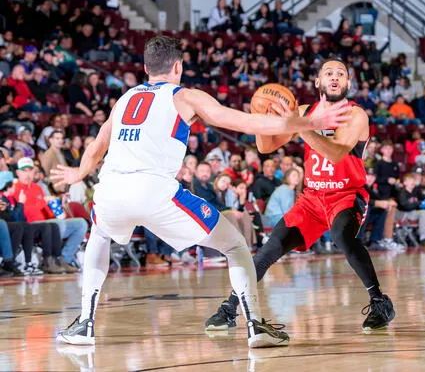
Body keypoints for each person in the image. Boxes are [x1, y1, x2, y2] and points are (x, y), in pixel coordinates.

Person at [51, 36, 350, 348]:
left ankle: (85, 323)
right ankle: (255, 324)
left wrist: (77, 173)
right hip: (154, 190)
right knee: (235, 245)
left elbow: (98, 145)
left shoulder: (125, 98)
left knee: (99, 234)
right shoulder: (185, 96)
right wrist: (306, 121)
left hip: (110, 189)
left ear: (145, 68)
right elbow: (242, 122)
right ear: (178, 66)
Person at [205, 58, 395, 332]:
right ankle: (230, 308)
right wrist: (263, 119)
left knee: (343, 235)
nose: (334, 77)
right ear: (317, 82)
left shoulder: (356, 115)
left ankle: (379, 301)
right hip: (312, 199)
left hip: (347, 194)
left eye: (340, 74)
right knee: (269, 250)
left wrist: (299, 124)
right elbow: (265, 147)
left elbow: (336, 151)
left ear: (348, 83)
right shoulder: (305, 111)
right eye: (328, 73)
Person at [358, 168, 403, 250]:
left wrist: (387, 202)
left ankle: (375, 241)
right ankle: (357, 241)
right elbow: (359, 200)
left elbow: (378, 199)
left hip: (362, 218)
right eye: (367, 175)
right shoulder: (357, 185)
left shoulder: (368, 188)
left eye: (373, 176)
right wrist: (378, 203)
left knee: (382, 210)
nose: (370, 178)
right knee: (366, 208)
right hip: (352, 218)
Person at [397, 173, 425, 245]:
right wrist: (418, 203)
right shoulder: (402, 192)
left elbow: (424, 200)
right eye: (410, 180)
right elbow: (405, 206)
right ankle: (422, 237)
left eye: (413, 180)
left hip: (417, 213)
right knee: (423, 212)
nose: (412, 182)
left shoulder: (416, 191)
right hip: (406, 214)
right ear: (405, 182)